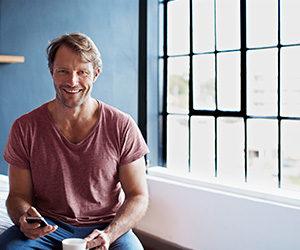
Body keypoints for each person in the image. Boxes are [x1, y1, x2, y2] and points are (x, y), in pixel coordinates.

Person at [0, 32, 149, 250]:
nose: (72, 81)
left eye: (82, 72)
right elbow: (17, 196)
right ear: (51, 72)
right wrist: (24, 217)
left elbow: (138, 196)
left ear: (96, 74)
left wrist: (109, 234)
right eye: (63, 71)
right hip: (47, 227)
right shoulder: (25, 127)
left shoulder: (122, 125)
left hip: (106, 227)